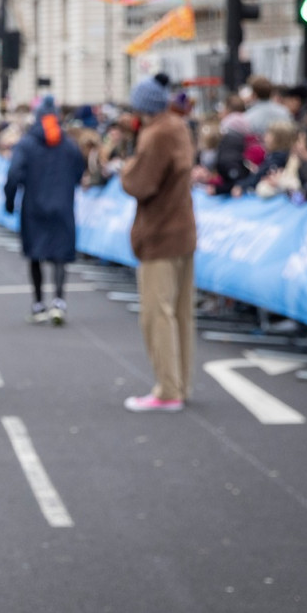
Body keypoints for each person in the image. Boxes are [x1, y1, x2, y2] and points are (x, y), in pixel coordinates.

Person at [118, 74, 198, 413]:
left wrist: (127, 167)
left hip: (160, 231)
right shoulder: (179, 127)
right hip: (182, 229)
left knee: (157, 314)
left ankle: (167, 390)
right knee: (180, 313)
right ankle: (179, 383)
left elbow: (139, 183)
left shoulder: (156, 134)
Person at [4, 98, 86, 325]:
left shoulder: (26, 144)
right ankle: (59, 301)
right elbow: (80, 171)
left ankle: (38, 304)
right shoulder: (68, 144)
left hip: (33, 207)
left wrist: (9, 202)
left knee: (35, 255)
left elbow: (13, 175)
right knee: (60, 255)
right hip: (62, 207)